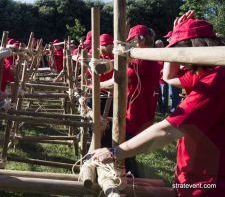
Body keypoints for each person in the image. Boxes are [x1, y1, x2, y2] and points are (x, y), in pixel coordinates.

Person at [92, 11, 225, 196]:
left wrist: (116, 152)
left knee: (127, 160)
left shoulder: (216, 79)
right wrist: (177, 33)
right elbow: (168, 76)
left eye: (181, 53)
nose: (182, 64)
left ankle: (128, 181)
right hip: (195, 172)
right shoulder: (202, 73)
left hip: (209, 182)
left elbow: (168, 130)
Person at [99, 25, 160, 176]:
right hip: (142, 111)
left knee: (123, 149)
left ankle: (132, 181)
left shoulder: (141, 60)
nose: (130, 45)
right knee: (126, 149)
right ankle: (130, 179)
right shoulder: (148, 57)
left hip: (135, 113)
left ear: (140, 40)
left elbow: (119, 80)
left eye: (131, 41)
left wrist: (95, 85)